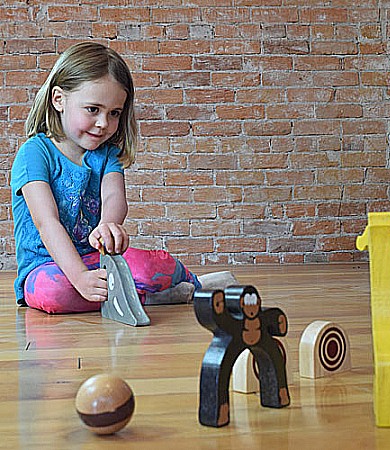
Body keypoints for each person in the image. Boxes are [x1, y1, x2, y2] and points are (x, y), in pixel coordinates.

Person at [11, 41, 236, 314]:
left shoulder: (107, 155)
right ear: (59, 99)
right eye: (93, 109)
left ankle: (197, 283)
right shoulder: (34, 153)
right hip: (46, 266)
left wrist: (108, 225)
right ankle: (145, 297)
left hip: (97, 257)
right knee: (55, 292)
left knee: (151, 267)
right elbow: (46, 222)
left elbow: (114, 196)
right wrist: (80, 277)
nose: (104, 123)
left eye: (114, 113)